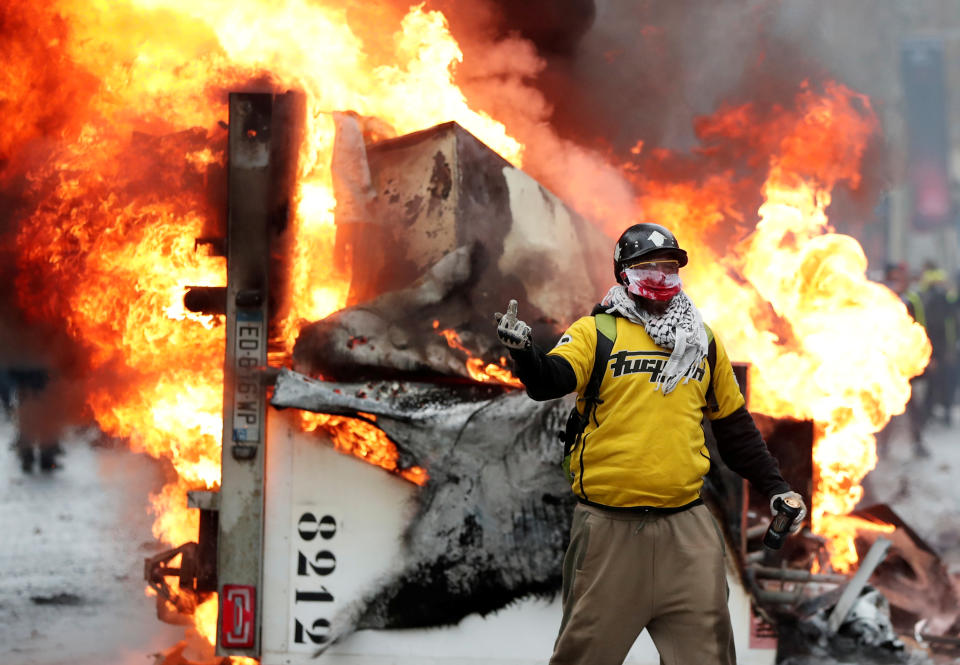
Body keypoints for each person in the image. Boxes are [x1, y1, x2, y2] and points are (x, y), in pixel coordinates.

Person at [494, 222, 805, 665]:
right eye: (648, 267)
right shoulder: (596, 332)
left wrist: (777, 487)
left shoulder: (703, 341)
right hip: (610, 532)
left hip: (688, 532)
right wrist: (525, 351)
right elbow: (549, 381)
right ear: (624, 274)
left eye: (669, 267)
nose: (660, 276)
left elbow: (735, 431)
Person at [876, 262, 929, 458]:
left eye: (901, 278)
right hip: (885, 361)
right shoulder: (881, 297)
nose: (899, 282)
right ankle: (883, 445)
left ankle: (917, 442)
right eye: (895, 278)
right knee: (885, 405)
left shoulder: (912, 300)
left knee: (911, 404)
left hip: (905, 361)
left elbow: (920, 327)